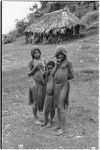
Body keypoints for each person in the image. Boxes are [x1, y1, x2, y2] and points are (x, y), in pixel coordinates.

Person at [52, 46, 74, 135]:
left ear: (64, 54)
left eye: (62, 54)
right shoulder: (56, 63)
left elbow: (72, 75)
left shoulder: (68, 63)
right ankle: (59, 125)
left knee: (61, 106)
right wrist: (56, 66)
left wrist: (64, 78)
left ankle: (62, 128)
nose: (60, 55)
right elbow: (52, 74)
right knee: (57, 106)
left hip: (64, 86)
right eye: (58, 54)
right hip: (56, 86)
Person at [28, 46, 46, 125]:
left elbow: (47, 69)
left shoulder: (44, 60)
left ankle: (45, 116)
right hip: (34, 83)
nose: (36, 53)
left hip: (43, 82)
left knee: (44, 99)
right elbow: (29, 74)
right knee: (35, 101)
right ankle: (35, 118)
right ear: (32, 54)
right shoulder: (31, 61)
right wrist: (35, 68)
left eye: (38, 52)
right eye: (35, 52)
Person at [41, 61, 55, 127]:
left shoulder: (55, 76)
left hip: (53, 95)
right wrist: (43, 76)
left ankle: (50, 121)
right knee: (46, 109)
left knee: (52, 109)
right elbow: (44, 83)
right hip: (47, 95)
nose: (49, 70)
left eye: (51, 68)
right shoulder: (47, 75)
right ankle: (45, 121)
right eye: (48, 68)